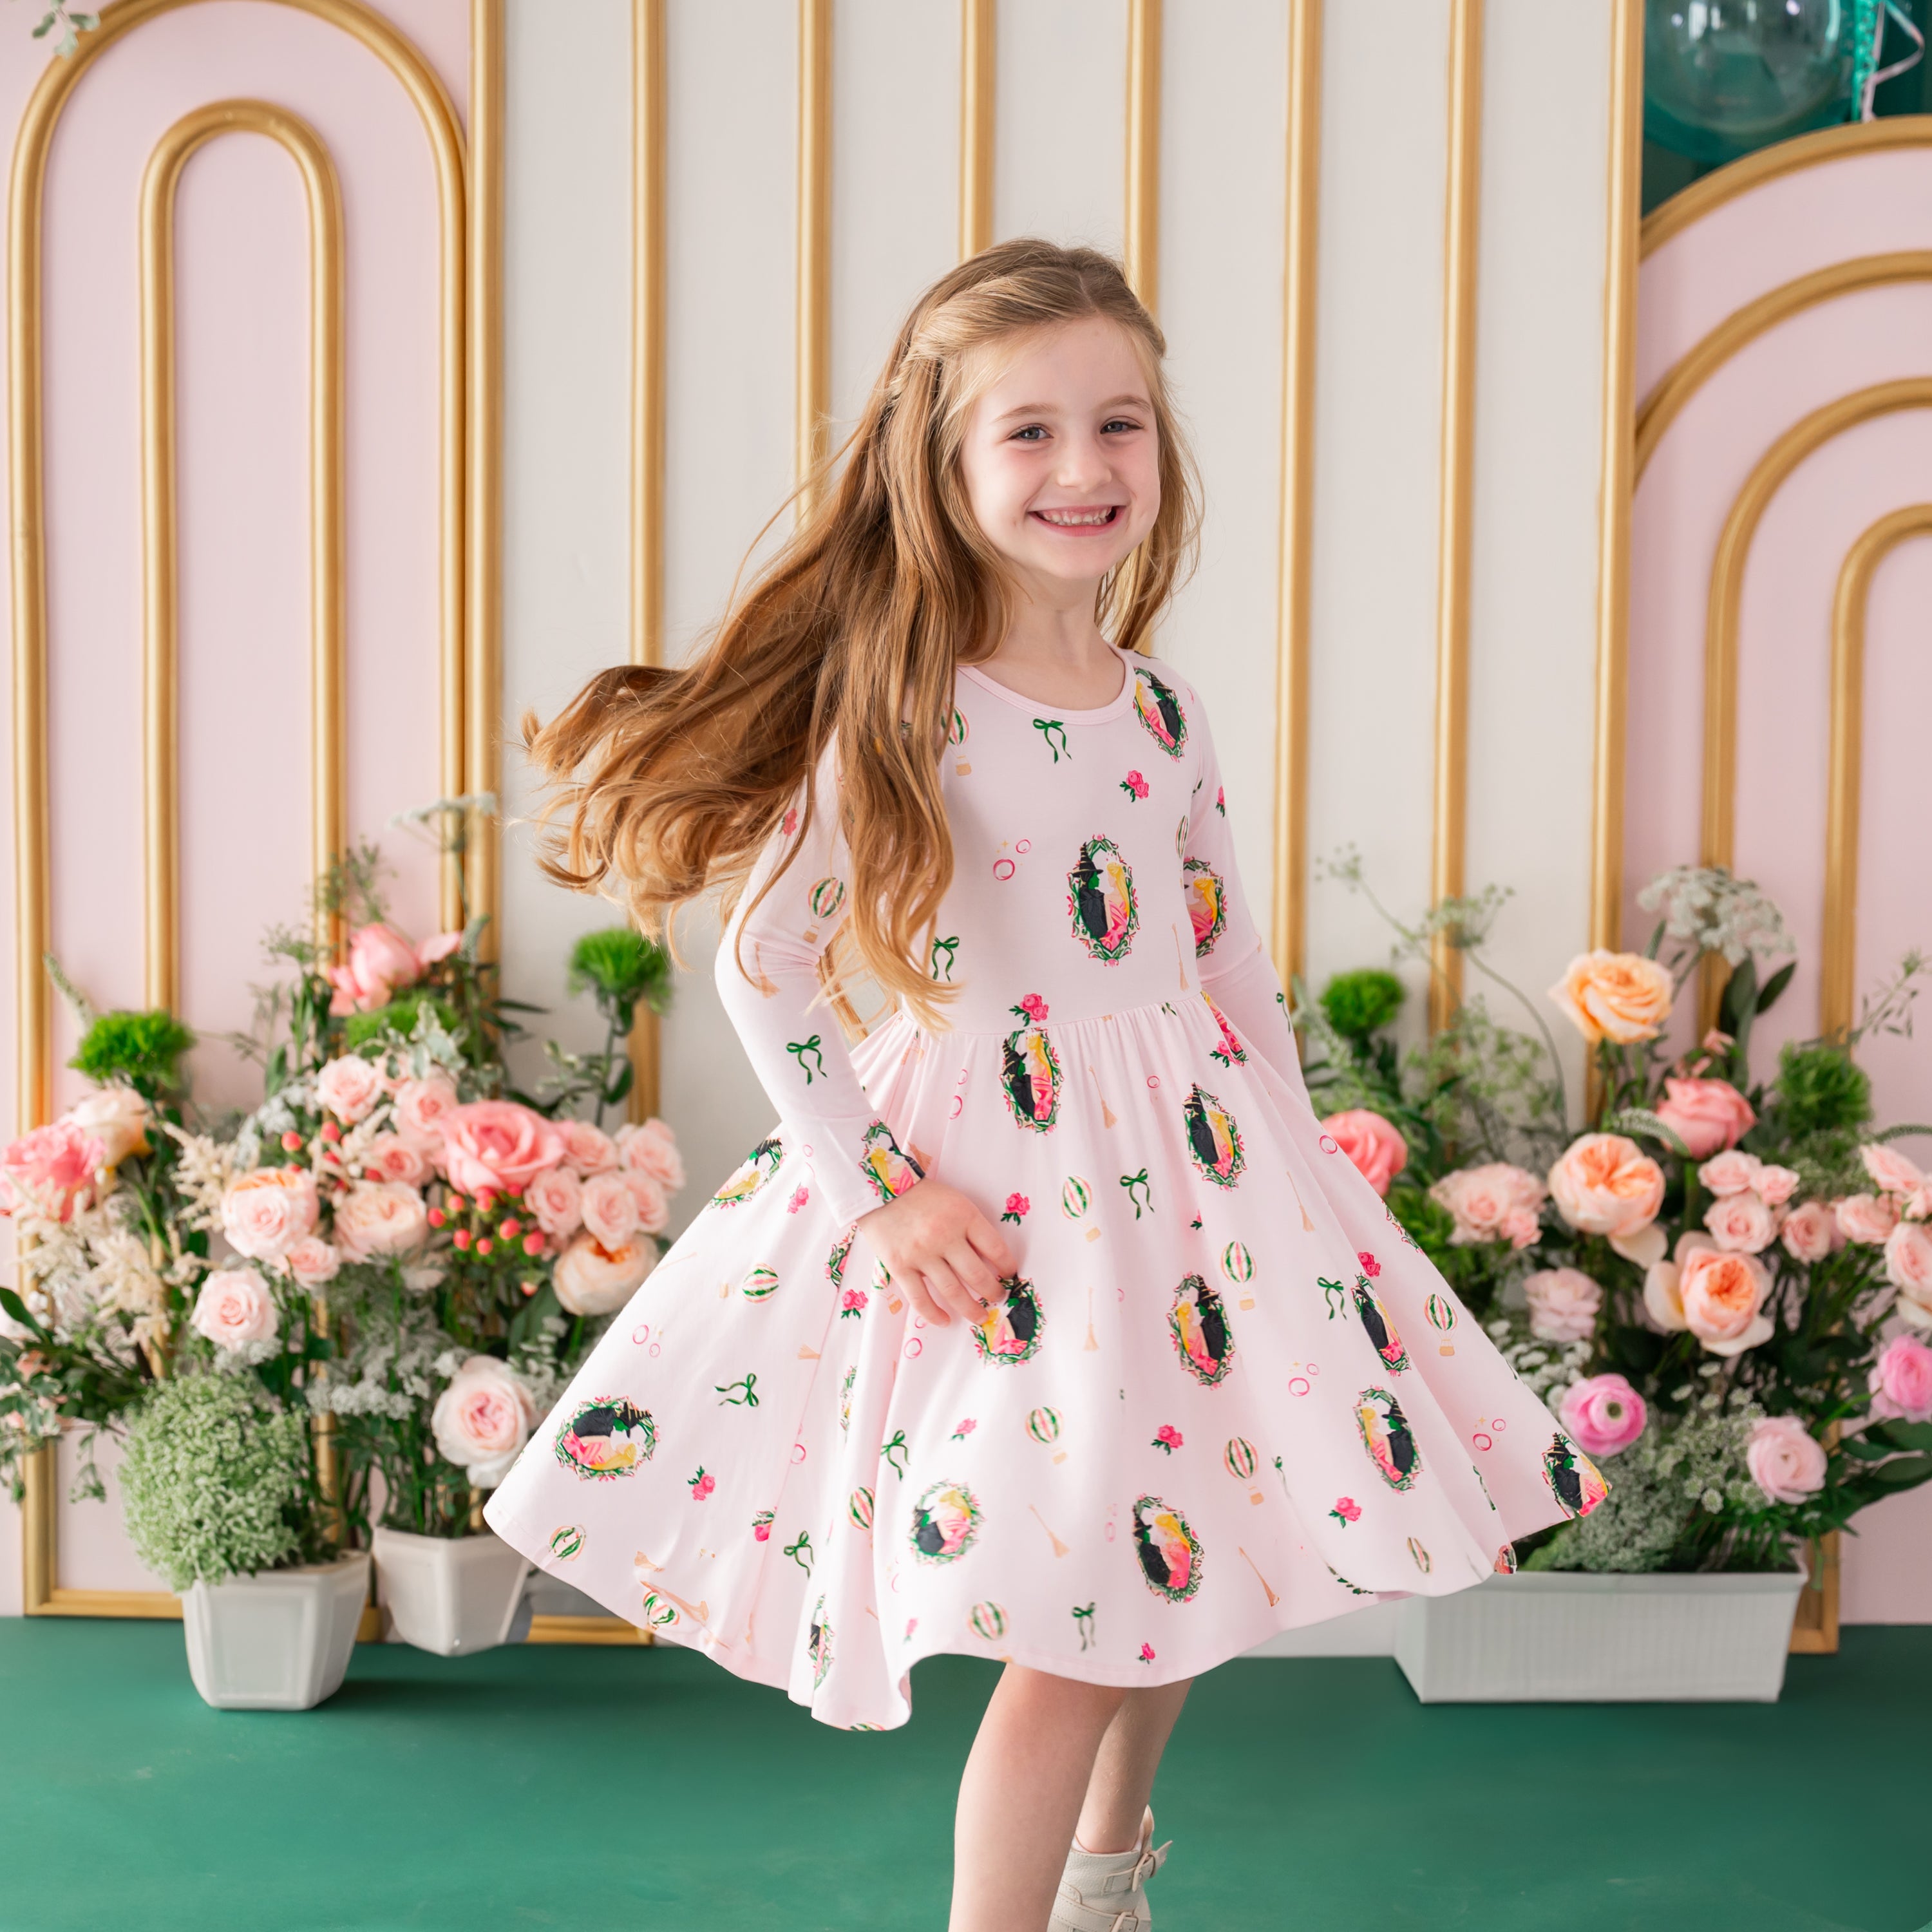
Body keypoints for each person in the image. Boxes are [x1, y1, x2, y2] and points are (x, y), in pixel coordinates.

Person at [484, 239, 1605, 1932]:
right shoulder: (910, 710)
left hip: (1196, 1171)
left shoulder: (1163, 712)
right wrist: (881, 1194)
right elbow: (764, 965)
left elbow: (1222, 960)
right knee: (1075, 1613)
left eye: (1122, 426)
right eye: (1030, 433)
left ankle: (1104, 1871)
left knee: (1193, 1542)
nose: (1085, 470)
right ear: (941, 464)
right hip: (1009, 1191)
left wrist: (1305, 1185)